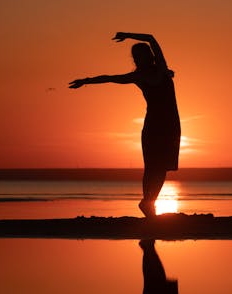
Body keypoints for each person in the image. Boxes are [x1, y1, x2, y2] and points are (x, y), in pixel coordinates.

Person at [69, 32, 181, 217]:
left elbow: (151, 38)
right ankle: (148, 202)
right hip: (154, 124)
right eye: (136, 57)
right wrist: (86, 81)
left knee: (162, 167)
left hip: (170, 124)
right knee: (152, 166)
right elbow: (110, 78)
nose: (139, 60)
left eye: (142, 56)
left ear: (149, 56)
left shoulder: (162, 68)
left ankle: (149, 203)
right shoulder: (138, 76)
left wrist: (127, 35)